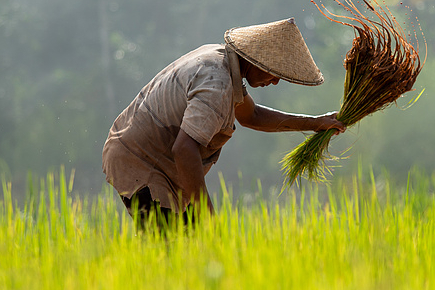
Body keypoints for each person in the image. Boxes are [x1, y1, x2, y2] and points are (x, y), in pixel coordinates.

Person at [102, 18, 345, 227]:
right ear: (257, 60)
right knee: (168, 245)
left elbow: (252, 116)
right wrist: (208, 215)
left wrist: (315, 123)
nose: (275, 81)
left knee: (188, 244)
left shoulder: (222, 62)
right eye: (274, 72)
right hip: (141, 161)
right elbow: (184, 150)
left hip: (156, 159)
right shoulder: (217, 84)